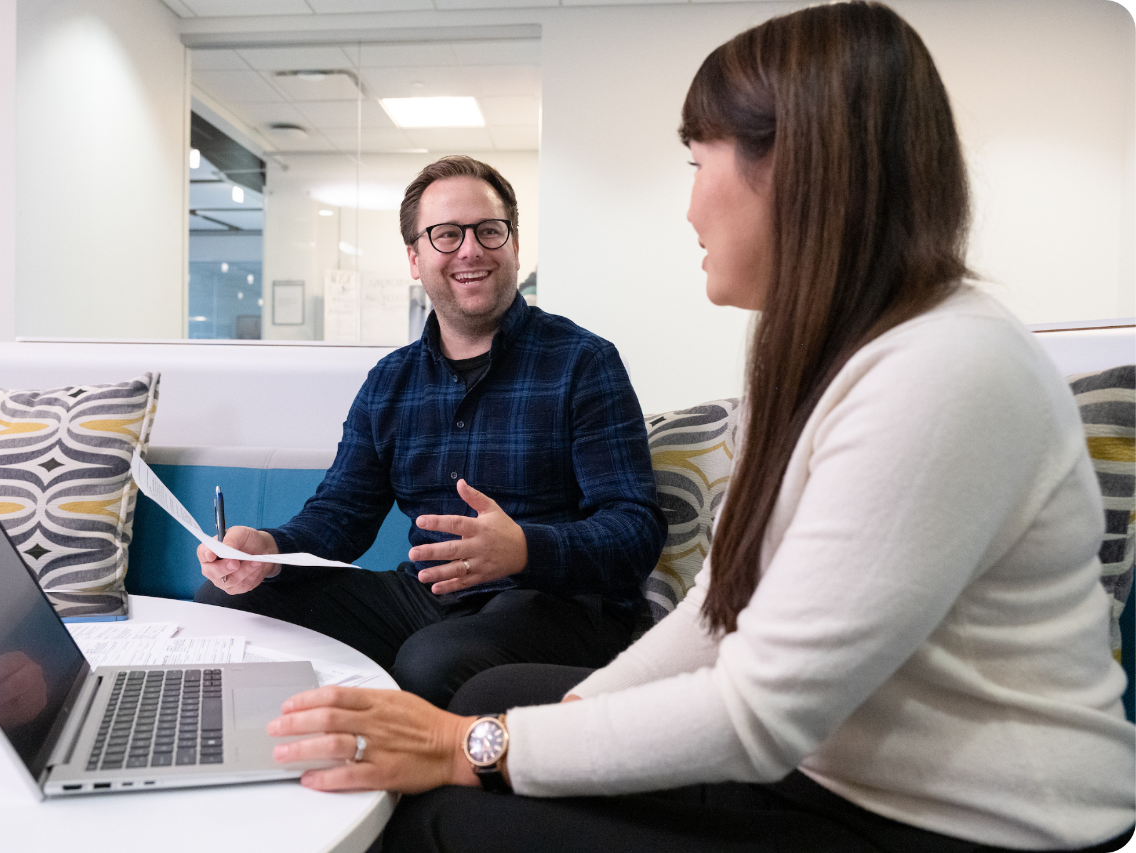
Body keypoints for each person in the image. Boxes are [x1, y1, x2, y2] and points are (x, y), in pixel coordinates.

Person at [254, 3, 1136, 851]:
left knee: (445, 809)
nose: (687, 208)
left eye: (695, 164)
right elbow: (721, 611)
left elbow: (756, 707)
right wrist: (564, 725)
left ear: (799, 168)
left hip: (966, 818)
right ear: (416, 257)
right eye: (446, 236)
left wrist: (472, 748)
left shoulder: (945, 370)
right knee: (496, 693)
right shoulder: (841, 359)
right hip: (833, 768)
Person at [194, 155, 667, 708]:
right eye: (446, 235)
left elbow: (634, 528)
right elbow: (341, 515)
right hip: (428, 598)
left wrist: (524, 549)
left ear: (514, 247)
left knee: (432, 660)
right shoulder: (391, 381)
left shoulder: (583, 362)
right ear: (415, 259)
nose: (470, 249)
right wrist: (271, 551)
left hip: (553, 602)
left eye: (489, 231)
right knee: (226, 603)